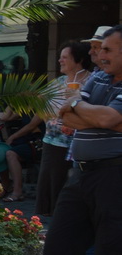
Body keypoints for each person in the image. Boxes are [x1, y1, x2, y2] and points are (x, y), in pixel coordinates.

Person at [38, 28, 122, 255]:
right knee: (60, 240)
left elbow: (103, 118)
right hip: (81, 173)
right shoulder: (99, 79)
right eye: (100, 50)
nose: (100, 55)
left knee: (113, 248)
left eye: (109, 50)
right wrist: (97, 116)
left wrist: (85, 111)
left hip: (115, 174)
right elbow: (67, 117)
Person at [36, 41, 94, 220]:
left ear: (79, 60)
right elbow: (42, 110)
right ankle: (52, 218)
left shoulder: (92, 81)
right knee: (51, 181)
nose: (60, 60)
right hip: (54, 141)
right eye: (60, 56)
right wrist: (53, 121)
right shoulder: (57, 83)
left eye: (65, 57)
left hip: (80, 142)